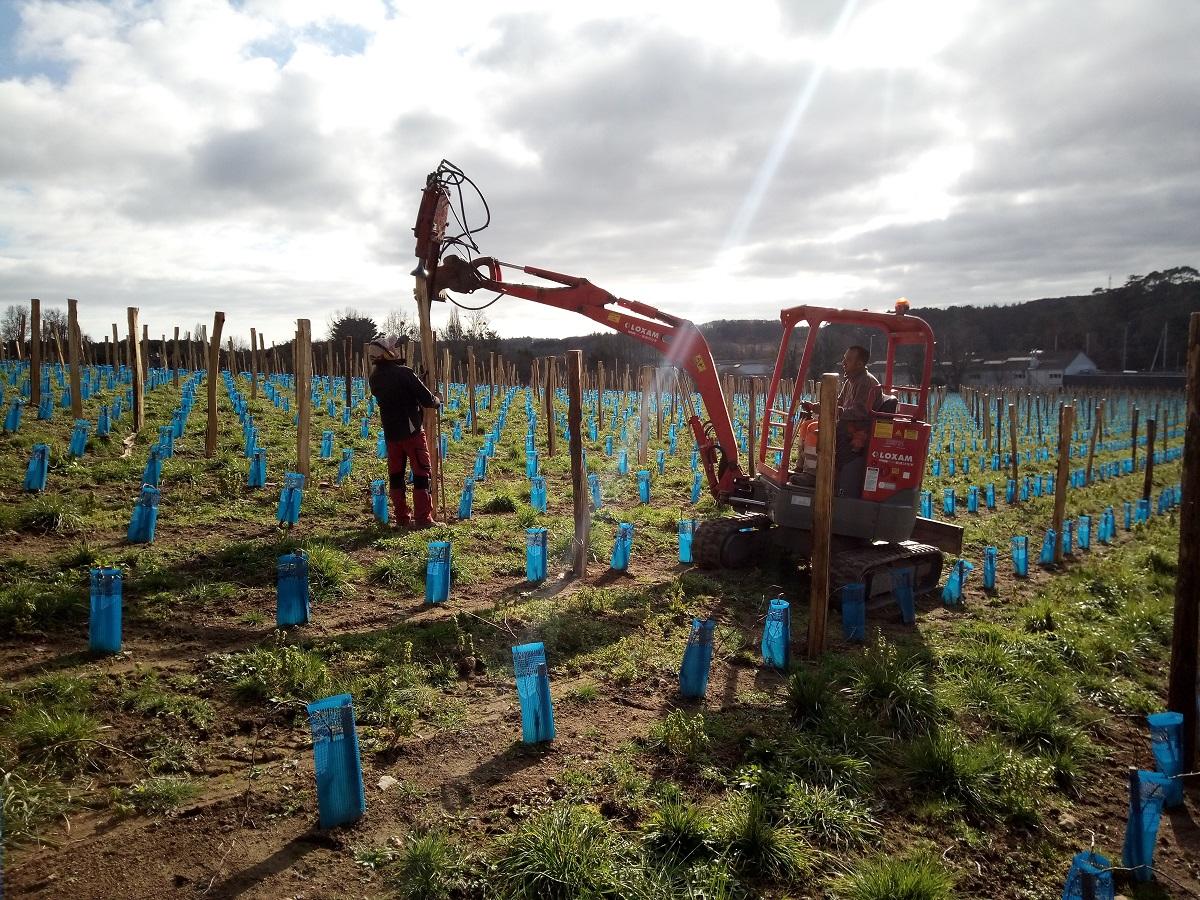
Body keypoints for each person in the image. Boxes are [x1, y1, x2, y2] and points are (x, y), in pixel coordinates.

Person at [368, 336, 441, 528]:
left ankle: (402, 518)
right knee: (421, 473)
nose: (396, 349)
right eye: (392, 348)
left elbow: (400, 391)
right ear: (386, 353)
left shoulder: (374, 377)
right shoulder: (405, 374)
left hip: (391, 434)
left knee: (396, 475)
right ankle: (424, 518)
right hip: (412, 432)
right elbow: (427, 400)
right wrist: (437, 400)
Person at [835, 344, 881, 497]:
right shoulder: (850, 381)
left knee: (817, 436)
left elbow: (861, 412)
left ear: (860, 364)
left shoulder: (866, 382)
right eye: (844, 359)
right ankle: (809, 471)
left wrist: (837, 412)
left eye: (848, 360)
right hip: (848, 426)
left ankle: (818, 477)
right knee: (810, 426)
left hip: (858, 431)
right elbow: (839, 403)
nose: (843, 363)